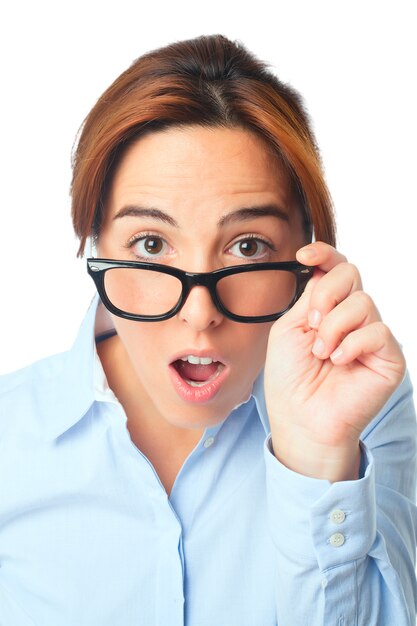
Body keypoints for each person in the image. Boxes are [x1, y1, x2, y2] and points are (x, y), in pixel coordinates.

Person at [0, 34, 416, 626]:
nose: (199, 314)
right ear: (96, 246)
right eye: (150, 245)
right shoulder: (8, 439)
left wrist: (318, 460)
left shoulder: (365, 417)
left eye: (247, 248)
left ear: (308, 256)